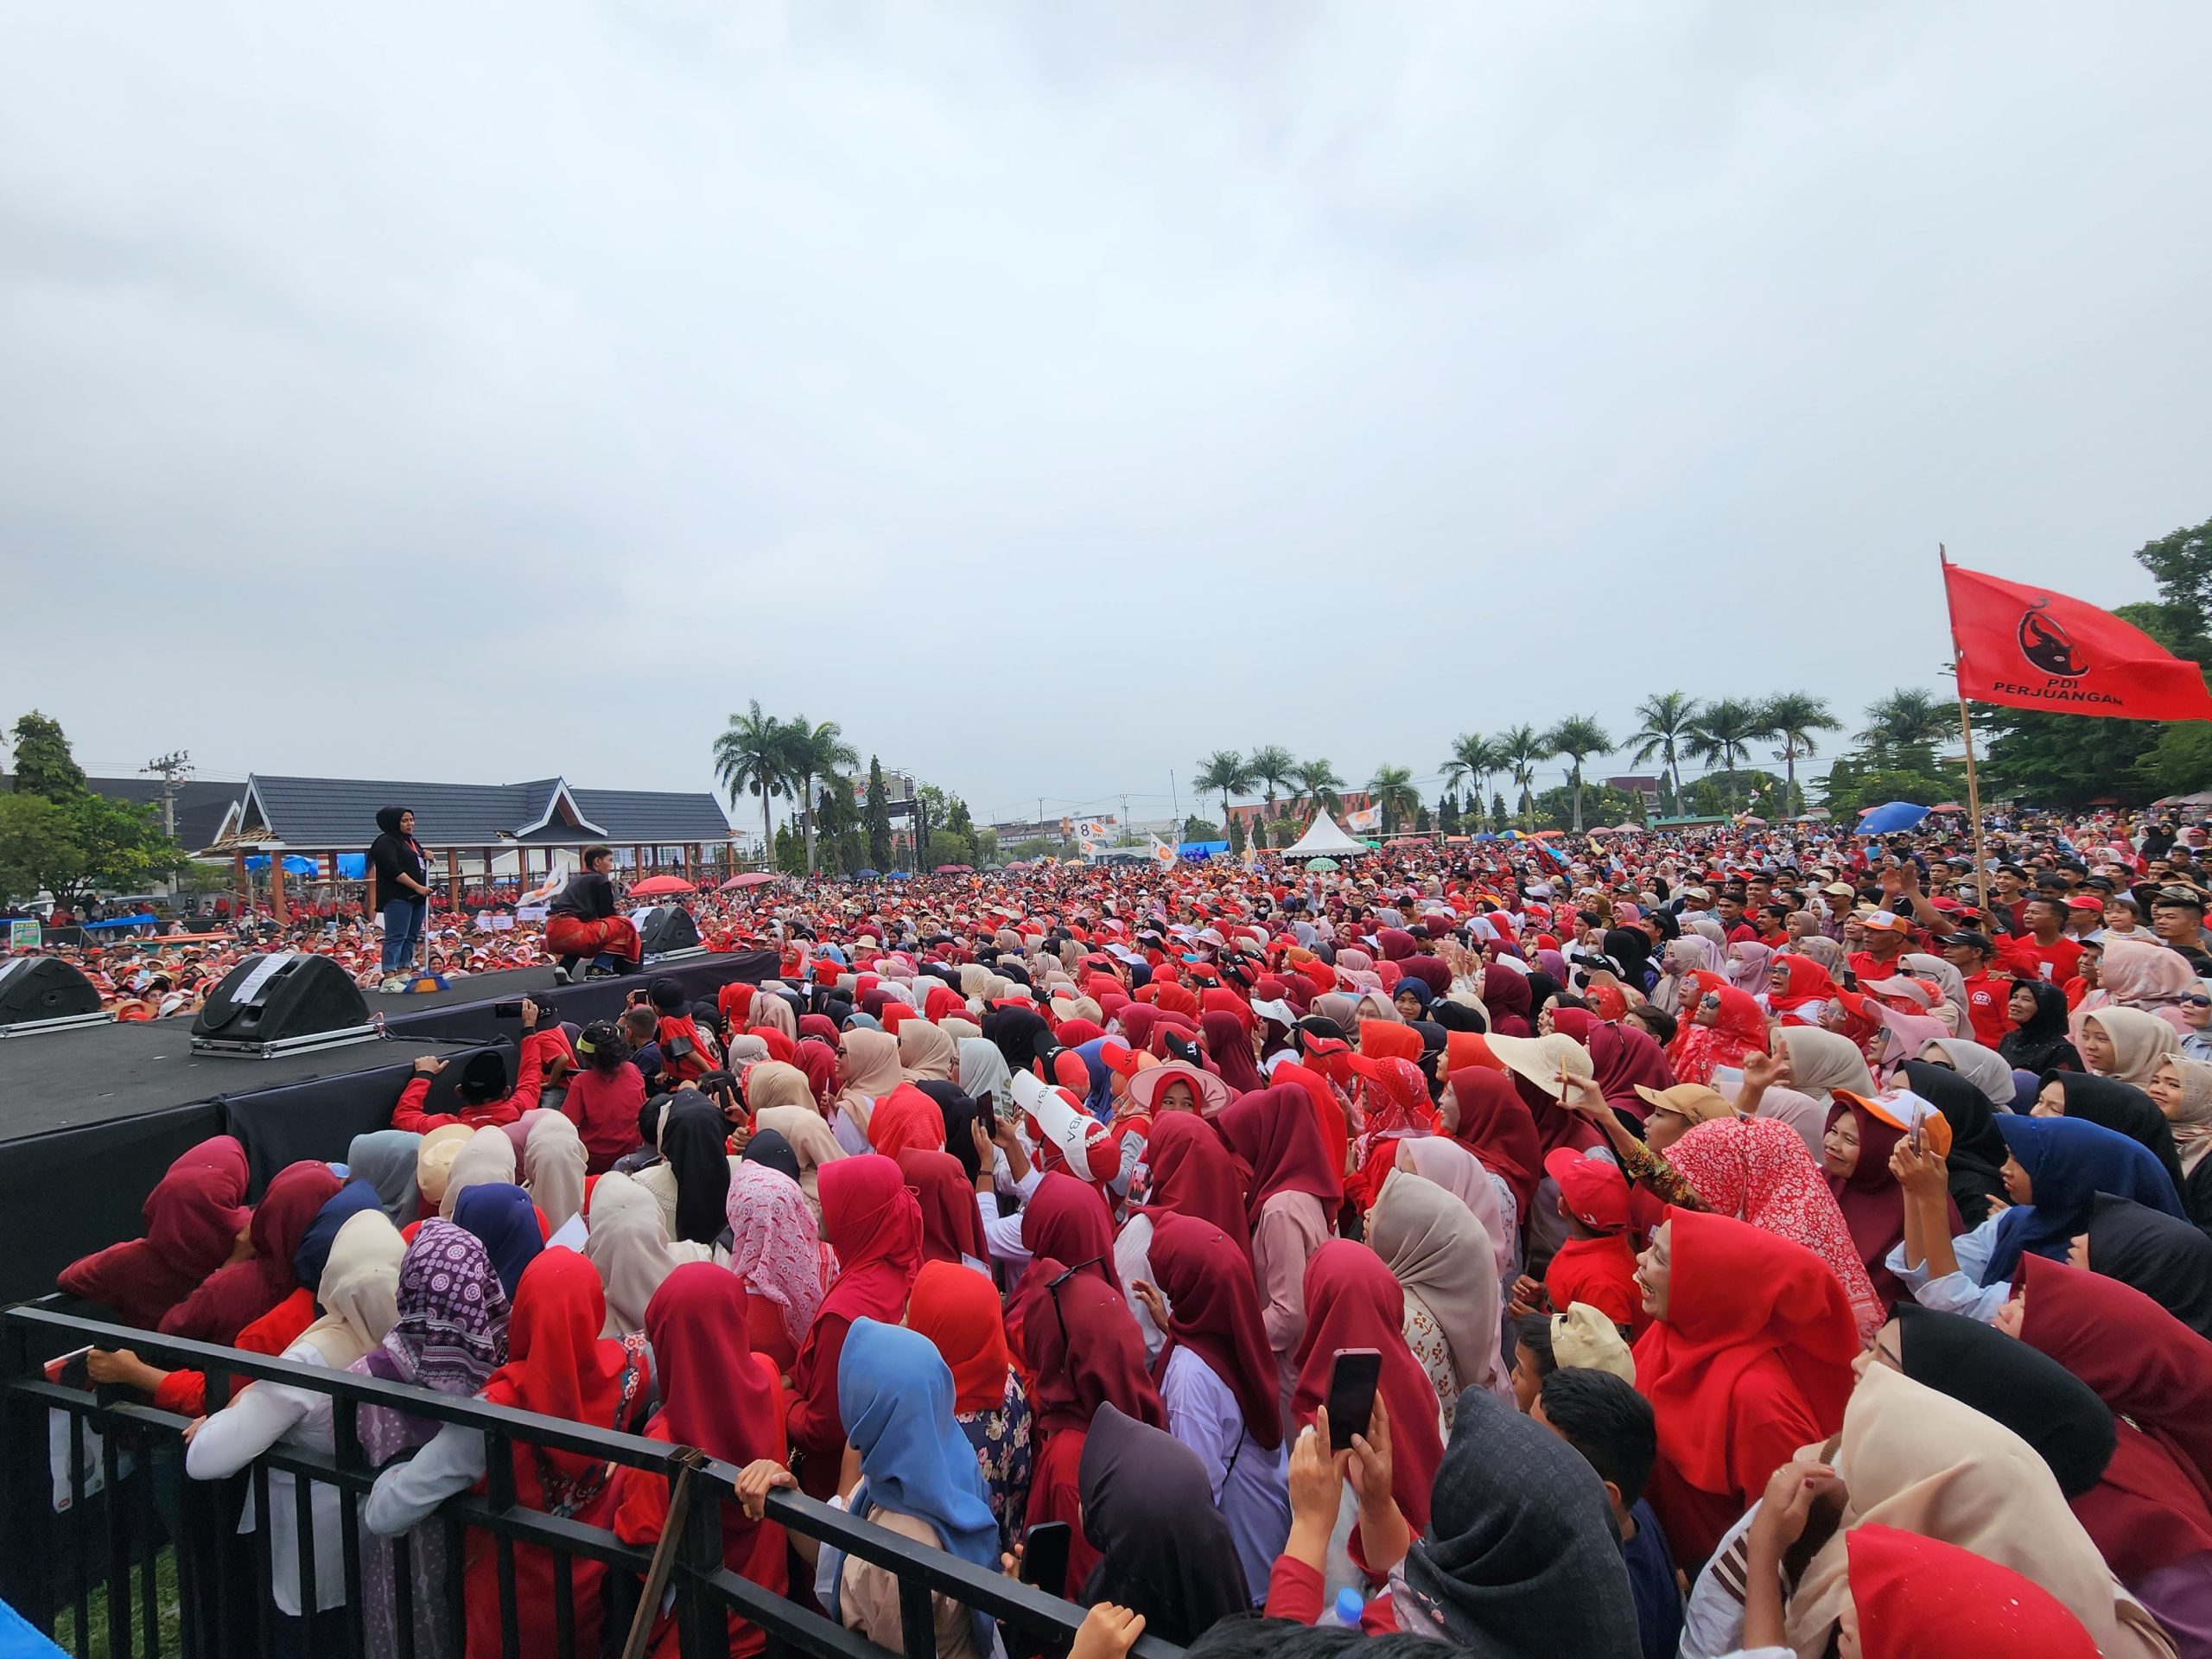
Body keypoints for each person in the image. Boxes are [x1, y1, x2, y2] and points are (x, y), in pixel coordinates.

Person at [365, 1248, 651, 1659]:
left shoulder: (495, 1410)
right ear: (594, 1311)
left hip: (508, 1613)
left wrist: (391, 1473)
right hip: (594, 1599)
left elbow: (387, 1513)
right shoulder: (628, 1367)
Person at [186, 1209, 405, 1656]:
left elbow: (206, 1458)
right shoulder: (418, 1346)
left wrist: (229, 1413)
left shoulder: (312, 1358)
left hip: (311, 1558)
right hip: (388, 1548)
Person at [1631, 1212, 1858, 1567]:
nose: (1641, 1259)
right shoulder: (1674, 1334)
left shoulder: (1759, 1399)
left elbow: (1787, 1538)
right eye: (1651, 1249)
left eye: (1659, 1258)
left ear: (1705, 1286)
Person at [611, 1264, 785, 1659]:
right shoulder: (769, 1379)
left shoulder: (663, 1446)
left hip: (691, 1637)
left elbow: (640, 1552)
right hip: (769, 1617)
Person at [1135, 1210, 1291, 1603]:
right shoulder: (1239, 1327)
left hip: (1239, 1574)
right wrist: (1173, 1326)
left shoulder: (1190, 1380)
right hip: (1269, 1539)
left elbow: (1198, 1494)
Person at [1533, 1367, 1682, 1659]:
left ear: (1603, 1495)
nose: (1517, 1455)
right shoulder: (1633, 1510)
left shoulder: (1608, 1607)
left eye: (1540, 1455)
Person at [905, 1259, 1033, 1552]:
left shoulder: (948, 1437)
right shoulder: (1007, 1377)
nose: (902, 1326)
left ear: (940, 1336)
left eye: (912, 1319)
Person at [545, 845, 640, 982]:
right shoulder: (600, 880)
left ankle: (565, 967)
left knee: (591, 933)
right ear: (597, 862)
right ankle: (599, 968)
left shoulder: (575, 880)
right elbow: (607, 915)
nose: (611, 865)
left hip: (553, 932)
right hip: (573, 930)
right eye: (609, 860)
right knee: (624, 924)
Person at [368, 805, 432, 989]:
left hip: (417, 897)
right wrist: (417, 887)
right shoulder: (386, 842)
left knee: (411, 936)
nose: (410, 824)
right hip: (397, 896)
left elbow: (417, 864)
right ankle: (389, 977)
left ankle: (404, 971)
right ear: (394, 822)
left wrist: (426, 855)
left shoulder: (411, 842)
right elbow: (393, 869)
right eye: (405, 820)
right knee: (396, 936)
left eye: (411, 820)